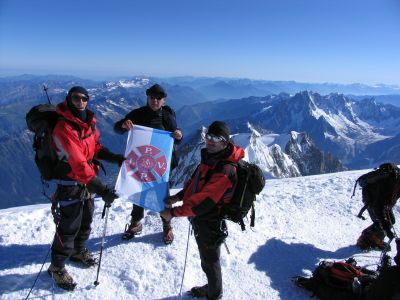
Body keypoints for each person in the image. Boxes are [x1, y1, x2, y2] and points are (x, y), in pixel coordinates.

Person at [48, 86, 124, 290]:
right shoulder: (63, 128)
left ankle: (77, 251)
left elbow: (95, 147)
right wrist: (103, 189)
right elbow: (78, 163)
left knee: (86, 218)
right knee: (68, 226)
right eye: (76, 98)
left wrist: (113, 157)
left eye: (84, 98)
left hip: (86, 182)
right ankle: (56, 267)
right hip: (71, 182)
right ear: (69, 99)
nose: (80, 101)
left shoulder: (88, 123)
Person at [160, 121, 244, 300]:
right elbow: (195, 183)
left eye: (216, 138)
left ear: (225, 142)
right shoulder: (211, 157)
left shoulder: (225, 169)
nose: (210, 141)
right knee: (208, 258)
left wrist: (173, 213)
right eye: (209, 136)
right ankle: (213, 289)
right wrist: (178, 196)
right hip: (202, 219)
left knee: (210, 261)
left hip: (210, 221)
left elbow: (203, 202)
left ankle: (215, 294)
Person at [114, 83, 182, 244]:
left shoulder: (167, 117)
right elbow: (117, 128)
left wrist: (179, 136)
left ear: (164, 100)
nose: (155, 101)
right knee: (139, 191)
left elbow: (177, 139)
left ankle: (167, 225)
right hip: (141, 163)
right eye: (152, 97)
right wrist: (123, 125)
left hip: (160, 165)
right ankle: (136, 223)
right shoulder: (137, 114)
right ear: (147, 98)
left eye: (159, 98)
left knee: (161, 194)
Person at [356, 163, 400, 251]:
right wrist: (387, 230)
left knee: (389, 221)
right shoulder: (391, 183)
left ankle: (374, 239)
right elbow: (378, 207)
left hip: (380, 201)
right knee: (382, 223)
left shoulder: (397, 181)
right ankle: (364, 240)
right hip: (372, 200)